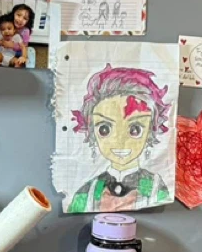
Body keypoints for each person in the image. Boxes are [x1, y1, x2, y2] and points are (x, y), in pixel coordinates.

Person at [67, 65, 173, 213]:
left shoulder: (156, 187)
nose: (119, 140)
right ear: (92, 132)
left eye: (135, 129)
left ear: (150, 132)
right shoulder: (86, 192)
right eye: (104, 129)